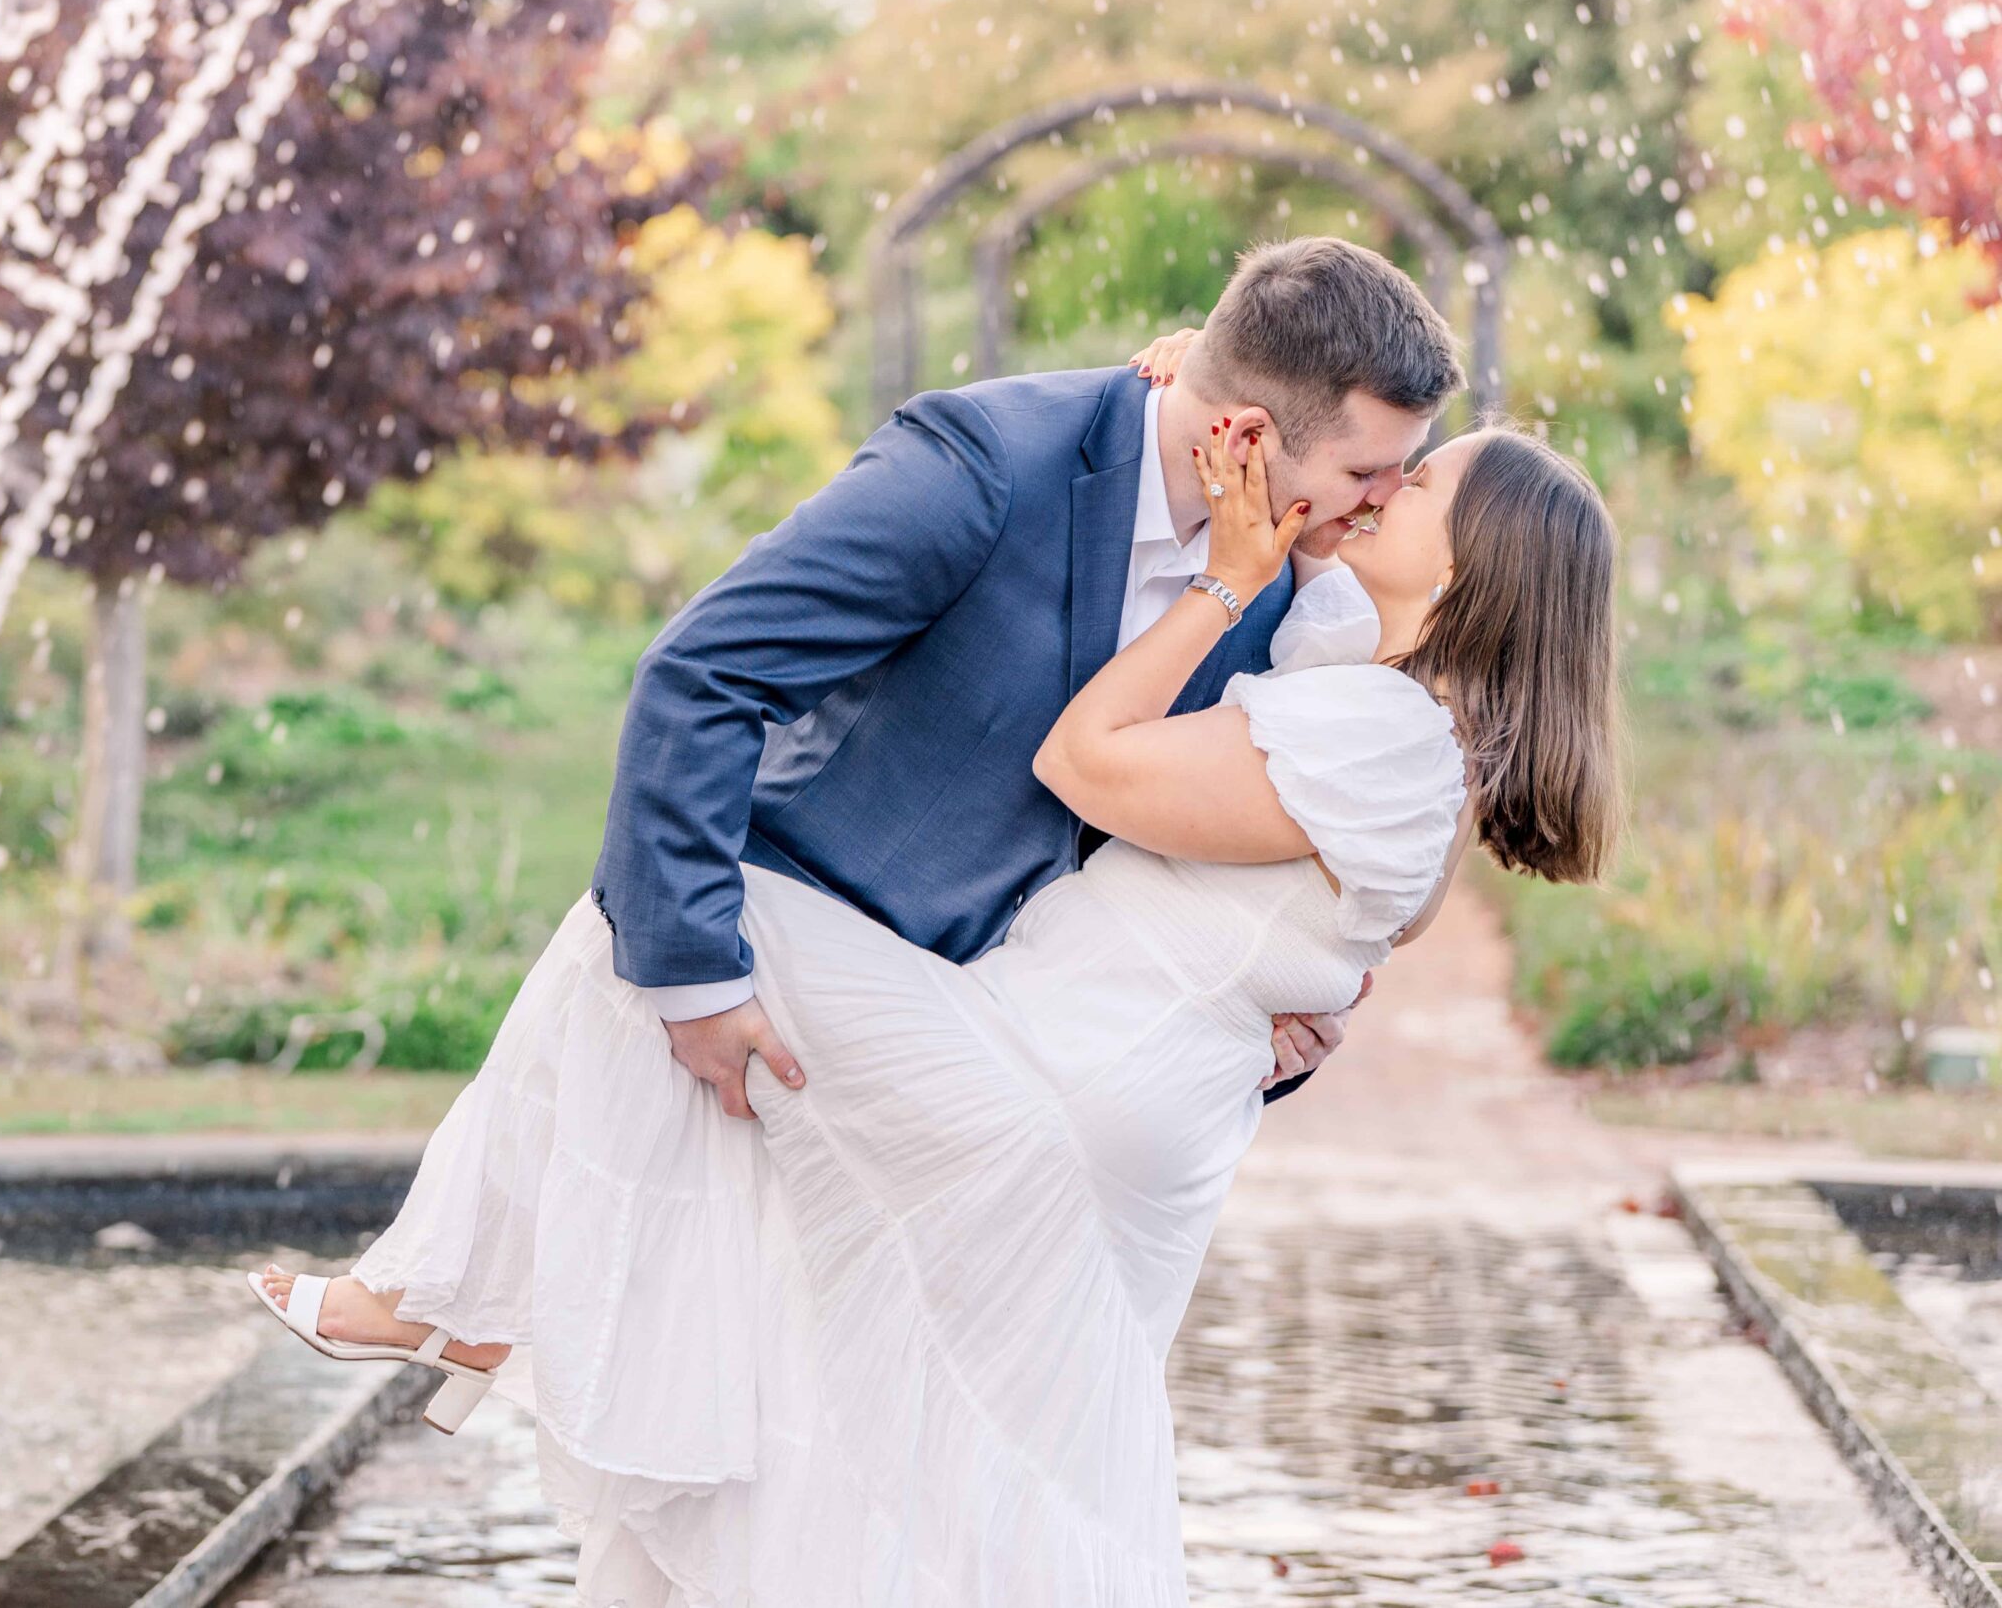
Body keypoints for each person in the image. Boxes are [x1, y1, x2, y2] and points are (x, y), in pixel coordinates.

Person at [251, 243, 1622, 1605]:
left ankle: (462, 1293)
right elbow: (704, 672)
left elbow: (1171, 796)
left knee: (694, 951)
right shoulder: (1004, 474)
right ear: (1246, 432)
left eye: (1406, 479)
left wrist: (1303, 993)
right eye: (1377, 469)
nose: (1376, 498)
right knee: (843, 1434)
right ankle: (475, 1304)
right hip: (992, 1021)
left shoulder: (1297, 577)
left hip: (1042, 1075)